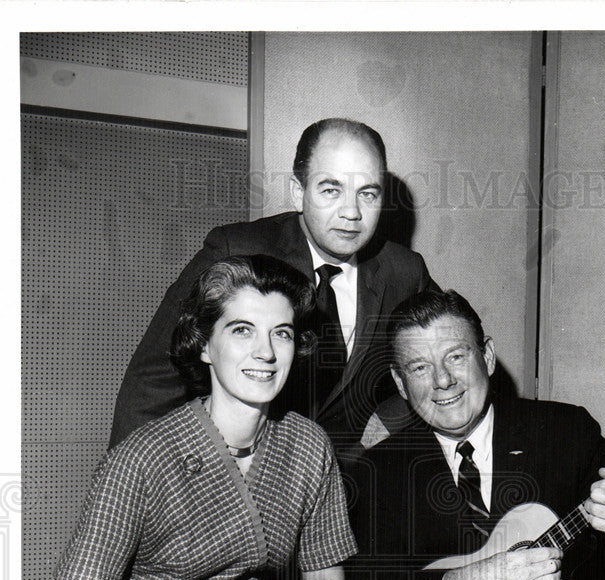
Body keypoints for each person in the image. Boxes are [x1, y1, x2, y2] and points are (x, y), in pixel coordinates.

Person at [45, 256, 357, 580]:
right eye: (242, 331)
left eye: (282, 333)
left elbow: (324, 569)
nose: (266, 353)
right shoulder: (145, 456)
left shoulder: (309, 445)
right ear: (206, 345)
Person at [347, 288, 605, 580]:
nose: (443, 381)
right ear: (400, 383)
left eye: (456, 357)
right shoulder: (376, 471)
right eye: (420, 367)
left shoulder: (566, 433)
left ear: (487, 357)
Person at [109, 118, 435, 457]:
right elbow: (156, 377)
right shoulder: (237, 250)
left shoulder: (404, 271)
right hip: (236, 471)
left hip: (346, 484)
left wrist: (386, 422)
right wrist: (132, 488)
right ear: (299, 192)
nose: (351, 212)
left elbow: (453, 360)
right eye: (331, 190)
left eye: (367, 194)